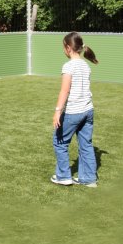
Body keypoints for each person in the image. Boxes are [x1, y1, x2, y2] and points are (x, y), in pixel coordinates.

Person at [51, 32, 99, 188]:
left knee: (59, 142)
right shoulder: (85, 65)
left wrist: (58, 111)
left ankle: (63, 176)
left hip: (74, 112)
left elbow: (64, 91)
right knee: (86, 144)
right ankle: (89, 179)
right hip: (88, 111)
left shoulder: (69, 66)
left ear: (68, 47)